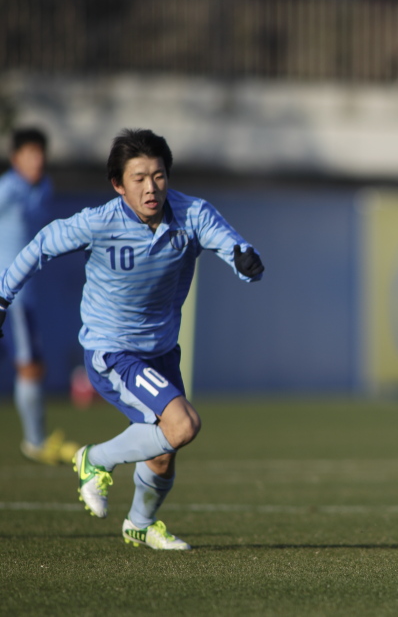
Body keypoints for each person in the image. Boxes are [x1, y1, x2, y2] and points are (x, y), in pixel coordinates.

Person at [0, 129, 264, 550]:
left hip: (161, 351)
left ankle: (140, 524)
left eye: (158, 176)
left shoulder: (192, 214)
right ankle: (94, 459)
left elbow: (232, 246)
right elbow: (42, 246)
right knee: (182, 424)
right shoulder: (99, 222)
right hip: (113, 351)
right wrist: (2, 296)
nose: (151, 187)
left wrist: (246, 262)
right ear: (118, 185)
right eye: (138, 178)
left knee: (162, 452)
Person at [0, 127, 81, 465]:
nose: (37, 160)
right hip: (7, 294)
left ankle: (36, 439)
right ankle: (35, 442)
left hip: (26, 295)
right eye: (30, 154)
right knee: (31, 366)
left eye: (41, 153)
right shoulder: (8, 188)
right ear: (16, 158)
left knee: (33, 365)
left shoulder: (44, 187)